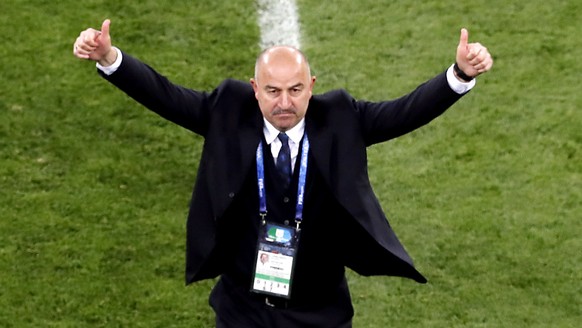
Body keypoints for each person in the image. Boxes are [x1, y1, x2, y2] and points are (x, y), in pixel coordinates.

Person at [73, 18, 493, 327]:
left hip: (320, 309)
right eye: (272, 91)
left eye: (295, 90)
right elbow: (164, 95)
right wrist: (110, 58)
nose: (284, 103)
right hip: (243, 306)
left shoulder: (342, 118)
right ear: (255, 90)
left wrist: (458, 75)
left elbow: (406, 111)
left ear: (311, 84)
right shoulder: (227, 111)